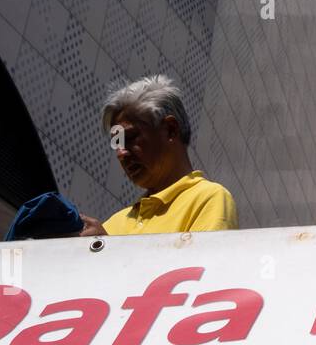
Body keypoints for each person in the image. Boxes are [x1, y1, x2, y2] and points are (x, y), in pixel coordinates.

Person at [80, 75, 237, 236]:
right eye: (117, 143)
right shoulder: (113, 223)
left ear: (170, 129)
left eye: (131, 137)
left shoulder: (207, 199)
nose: (121, 153)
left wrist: (106, 252)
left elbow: (201, 262)